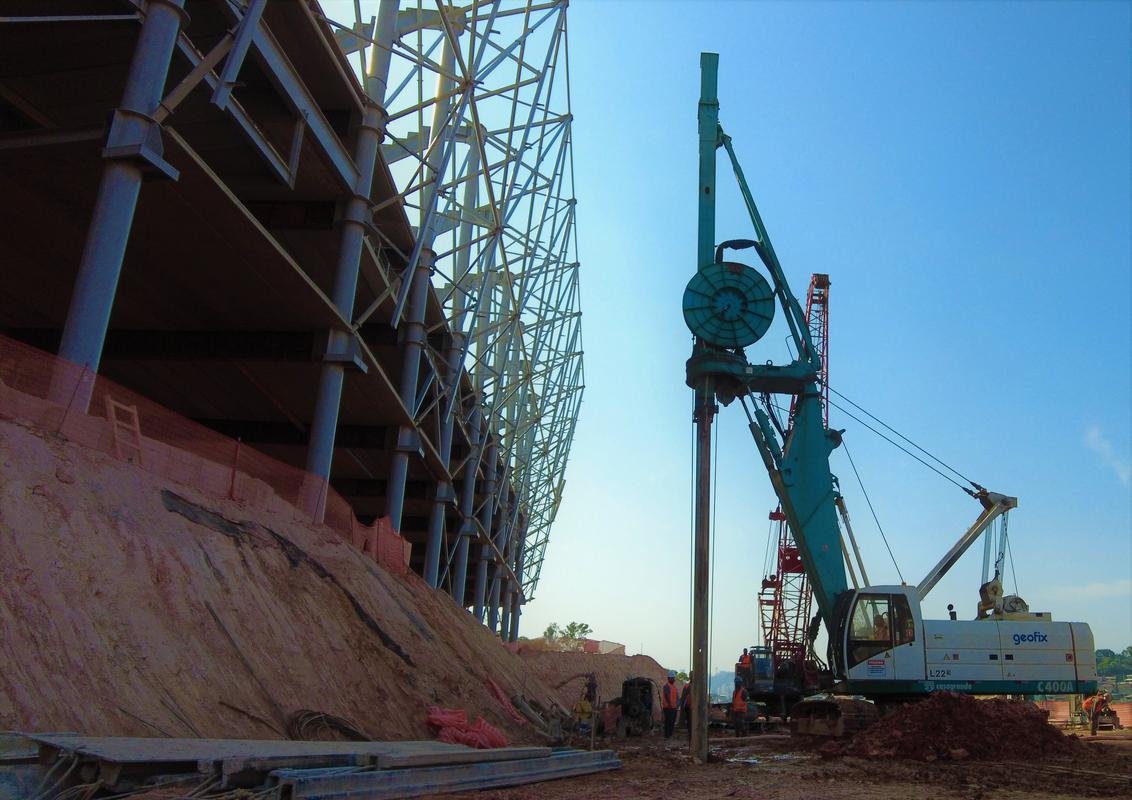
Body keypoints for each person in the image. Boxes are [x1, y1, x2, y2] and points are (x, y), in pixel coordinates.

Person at [661, 671, 680, 739]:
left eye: (674, 678)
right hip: (668, 707)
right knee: (668, 722)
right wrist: (669, 704)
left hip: (673, 707)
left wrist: (677, 704)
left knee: (672, 722)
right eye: (672, 678)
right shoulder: (666, 686)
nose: (674, 679)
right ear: (669, 678)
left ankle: (670, 734)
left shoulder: (674, 687)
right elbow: (666, 695)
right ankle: (667, 735)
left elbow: (677, 697)